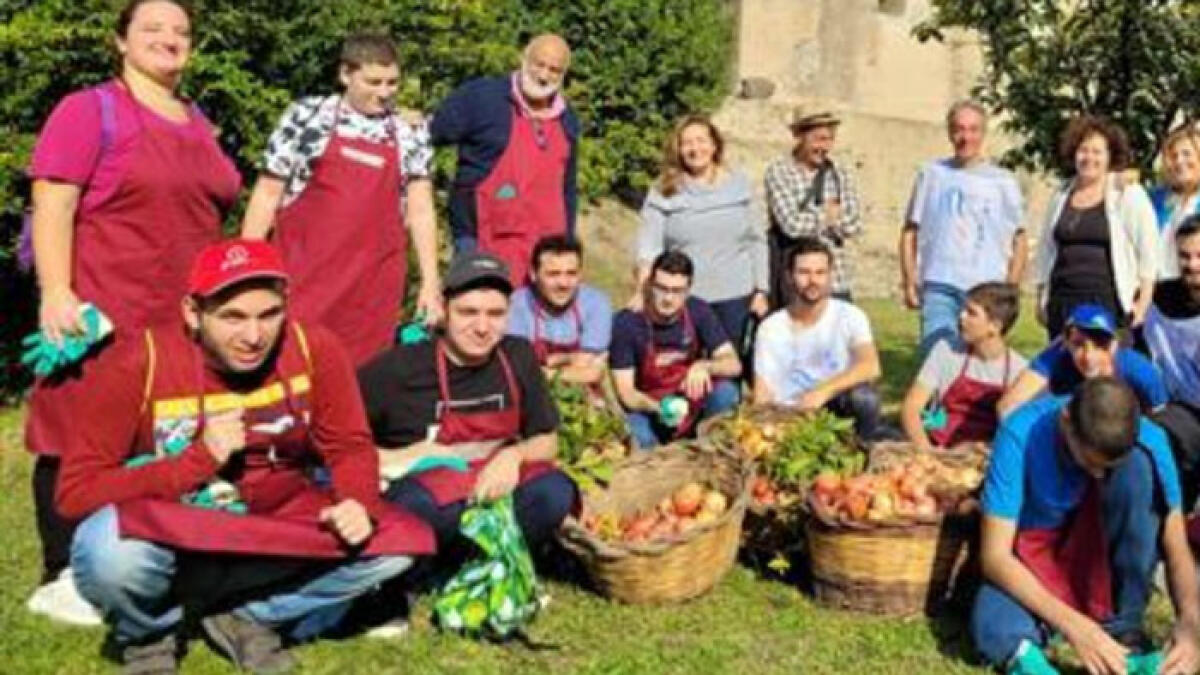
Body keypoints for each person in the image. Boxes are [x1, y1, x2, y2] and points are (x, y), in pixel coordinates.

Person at [58, 240, 433, 673]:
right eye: (232, 317)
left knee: (398, 547)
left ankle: (250, 616)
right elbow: (75, 493)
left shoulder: (315, 349)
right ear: (192, 313)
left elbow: (349, 445)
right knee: (106, 551)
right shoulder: (141, 362)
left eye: (268, 315)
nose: (253, 336)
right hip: (177, 526)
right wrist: (195, 461)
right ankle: (150, 634)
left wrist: (357, 501)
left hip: (281, 518)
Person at [23, 0, 241, 625]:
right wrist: (56, 292)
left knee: (162, 435)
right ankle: (61, 571)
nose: (169, 40)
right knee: (77, 430)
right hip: (106, 307)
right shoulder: (90, 110)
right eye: (152, 28)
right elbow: (54, 201)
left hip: (180, 320)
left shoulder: (197, 119)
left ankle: (156, 550)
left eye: (181, 31)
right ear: (120, 42)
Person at [970, 378, 1200, 675]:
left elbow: (1176, 544)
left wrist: (1190, 622)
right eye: (1090, 462)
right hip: (1036, 565)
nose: (1098, 474)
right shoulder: (1019, 433)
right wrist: (1075, 627)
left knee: (1138, 469)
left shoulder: (1150, 441)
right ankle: (1030, 659)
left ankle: (1123, 628)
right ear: (1066, 422)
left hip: (1100, 561)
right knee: (992, 623)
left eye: (1108, 467)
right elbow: (995, 557)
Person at [240, 32, 440, 366]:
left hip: (371, 289)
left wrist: (430, 283)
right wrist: (247, 265)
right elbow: (267, 194)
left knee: (360, 382)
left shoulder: (410, 132)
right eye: (373, 82)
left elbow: (420, 210)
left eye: (392, 82)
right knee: (291, 366)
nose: (385, 93)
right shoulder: (306, 118)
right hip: (302, 279)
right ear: (345, 74)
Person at [359, 251, 577, 556]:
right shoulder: (397, 370)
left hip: (492, 490)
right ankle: (426, 565)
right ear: (444, 309)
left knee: (555, 491)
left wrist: (513, 456)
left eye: (495, 314)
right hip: (432, 499)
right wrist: (403, 456)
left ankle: (494, 559)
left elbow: (547, 440)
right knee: (416, 507)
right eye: (468, 312)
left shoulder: (518, 357)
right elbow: (337, 445)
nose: (482, 327)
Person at [430, 34, 580, 285]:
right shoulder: (482, 97)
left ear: (563, 75)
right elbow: (433, 132)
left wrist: (567, 245)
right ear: (523, 59)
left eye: (554, 70)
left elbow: (568, 189)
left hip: (545, 256)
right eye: (538, 64)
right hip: (481, 241)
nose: (543, 76)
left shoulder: (568, 121)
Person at [899, 100, 1027, 358]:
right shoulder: (931, 174)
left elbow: (1020, 239)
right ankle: (937, 401)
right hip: (940, 285)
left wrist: (1011, 288)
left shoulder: (1004, 181)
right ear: (949, 132)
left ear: (983, 133)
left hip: (987, 287)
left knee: (981, 363)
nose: (965, 137)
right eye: (959, 129)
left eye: (973, 130)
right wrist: (909, 280)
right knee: (936, 360)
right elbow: (910, 231)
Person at [634, 114, 769, 347]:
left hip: (736, 297)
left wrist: (761, 290)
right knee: (683, 373)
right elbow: (649, 248)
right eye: (687, 143)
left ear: (714, 145)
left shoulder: (740, 184)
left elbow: (757, 240)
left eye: (701, 140)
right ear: (677, 149)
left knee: (729, 372)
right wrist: (644, 293)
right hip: (683, 298)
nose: (695, 149)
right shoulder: (663, 190)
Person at [1033, 115, 1160, 338]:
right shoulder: (1061, 194)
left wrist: (1144, 300)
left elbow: (1149, 249)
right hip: (1063, 300)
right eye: (1083, 150)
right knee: (1063, 368)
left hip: (1107, 300)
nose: (1089, 157)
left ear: (1110, 157)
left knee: (1102, 370)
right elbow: (1046, 249)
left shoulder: (1127, 193)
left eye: (1097, 151)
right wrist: (1041, 296)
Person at [752, 238, 884, 438]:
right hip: (790, 416)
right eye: (804, 272)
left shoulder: (850, 316)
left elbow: (871, 367)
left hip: (837, 410)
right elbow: (763, 391)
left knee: (865, 399)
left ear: (831, 276)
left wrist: (822, 392)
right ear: (789, 276)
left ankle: (864, 450)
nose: (812, 280)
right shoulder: (771, 328)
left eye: (820, 273)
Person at [610, 251, 742, 449]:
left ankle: (711, 451)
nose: (668, 299)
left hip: (693, 403)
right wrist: (658, 409)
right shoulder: (627, 323)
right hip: (648, 407)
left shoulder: (699, 311)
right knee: (635, 432)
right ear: (650, 285)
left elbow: (734, 364)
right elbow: (626, 393)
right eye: (662, 289)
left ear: (688, 290)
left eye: (677, 291)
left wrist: (705, 366)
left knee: (727, 393)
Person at [901, 282, 1026, 452]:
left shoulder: (1020, 371)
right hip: (938, 447)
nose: (961, 316)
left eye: (971, 313)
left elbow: (1018, 433)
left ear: (994, 327)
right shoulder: (945, 350)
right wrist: (926, 449)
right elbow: (912, 406)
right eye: (963, 310)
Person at [764, 108, 862, 306]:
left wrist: (811, 218)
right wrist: (828, 216)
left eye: (829, 139)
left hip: (836, 281)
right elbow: (791, 225)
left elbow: (854, 224)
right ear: (800, 136)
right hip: (794, 284)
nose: (824, 147)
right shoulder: (780, 172)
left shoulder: (840, 174)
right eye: (818, 139)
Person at [998, 304, 1167, 416]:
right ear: (1065, 344)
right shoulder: (1057, 358)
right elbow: (1007, 408)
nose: (1089, 356)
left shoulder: (1138, 370)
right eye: (1078, 345)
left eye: (1101, 345)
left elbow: (1161, 417)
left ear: (1115, 345)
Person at [1143, 217, 1200, 509]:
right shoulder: (1162, 298)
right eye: (1185, 256)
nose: (1192, 265)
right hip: (1178, 409)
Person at [506, 235, 612, 386]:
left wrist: (550, 365)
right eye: (553, 274)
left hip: (581, 396)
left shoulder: (596, 303)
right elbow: (519, 368)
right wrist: (570, 359)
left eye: (571, 273)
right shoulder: (516, 305)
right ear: (533, 274)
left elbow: (593, 372)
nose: (563, 283)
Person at [1149, 125, 1200, 279]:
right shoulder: (1155, 199)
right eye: (1173, 156)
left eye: (1186, 154)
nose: (1179, 161)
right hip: (1158, 288)